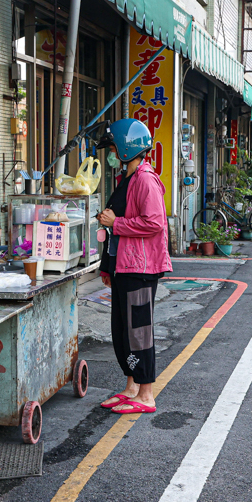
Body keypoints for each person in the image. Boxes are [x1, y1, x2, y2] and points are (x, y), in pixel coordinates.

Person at [95, 119, 172, 415]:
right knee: (123, 331)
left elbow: (154, 223)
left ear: (126, 149)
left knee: (139, 332)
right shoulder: (126, 179)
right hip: (123, 267)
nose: (110, 153)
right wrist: (107, 266)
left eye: (112, 148)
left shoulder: (145, 180)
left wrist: (116, 222)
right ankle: (131, 388)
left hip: (140, 269)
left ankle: (147, 394)